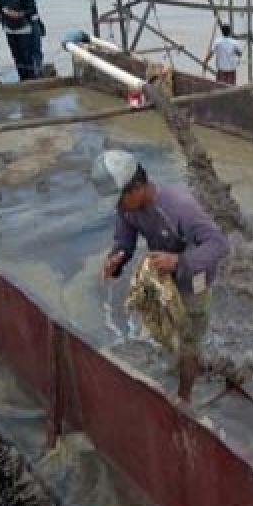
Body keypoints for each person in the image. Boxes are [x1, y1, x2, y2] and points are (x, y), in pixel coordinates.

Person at [99, 150, 230, 402]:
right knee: (166, 326)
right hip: (165, 279)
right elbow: (124, 240)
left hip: (195, 278)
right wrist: (116, 259)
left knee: (190, 337)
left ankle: (184, 398)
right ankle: (179, 360)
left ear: (136, 189)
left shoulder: (179, 207)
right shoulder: (128, 209)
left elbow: (218, 244)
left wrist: (180, 260)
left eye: (119, 200)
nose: (118, 207)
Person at [18, 0, 45, 78]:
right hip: (24, 23)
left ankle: (38, 70)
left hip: (34, 21)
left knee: (37, 47)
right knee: (26, 49)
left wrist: (40, 23)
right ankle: (29, 72)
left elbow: (35, 8)